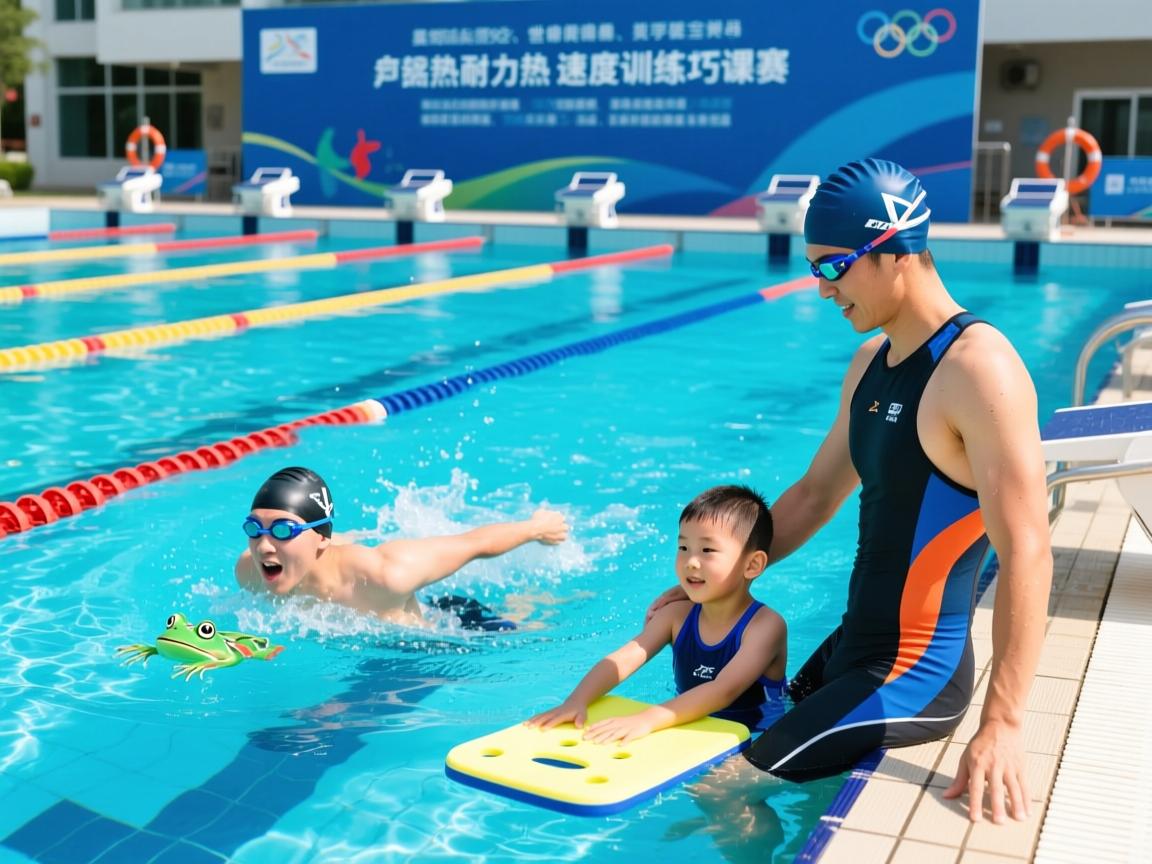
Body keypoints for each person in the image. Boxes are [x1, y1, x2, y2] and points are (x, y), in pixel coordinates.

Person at [651, 159, 1053, 824]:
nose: (820, 289)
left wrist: (1004, 724)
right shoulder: (872, 362)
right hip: (855, 647)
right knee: (737, 725)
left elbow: (1029, 550)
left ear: (894, 251)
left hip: (915, 675)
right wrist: (713, 579)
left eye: (832, 267)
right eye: (814, 270)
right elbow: (813, 496)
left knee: (720, 787)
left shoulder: (979, 371)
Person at [528, 485, 787, 742]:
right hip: (686, 728)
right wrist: (576, 700)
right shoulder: (676, 616)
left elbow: (724, 690)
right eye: (683, 548)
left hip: (757, 738)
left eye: (707, 550)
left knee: (710, 785)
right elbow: (627, 656)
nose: (691, 561)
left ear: (752, 565)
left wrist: (647, 719)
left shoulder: (765, 626)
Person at [235, 466, 570, 628]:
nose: (263, 545)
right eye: (255, 528)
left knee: (531, 630)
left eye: (283, 530)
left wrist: (536, 528)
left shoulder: (386, 573)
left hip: (452, 631)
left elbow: (474, 543)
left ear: (320, 537)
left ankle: (529, 604)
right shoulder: (249, 572)